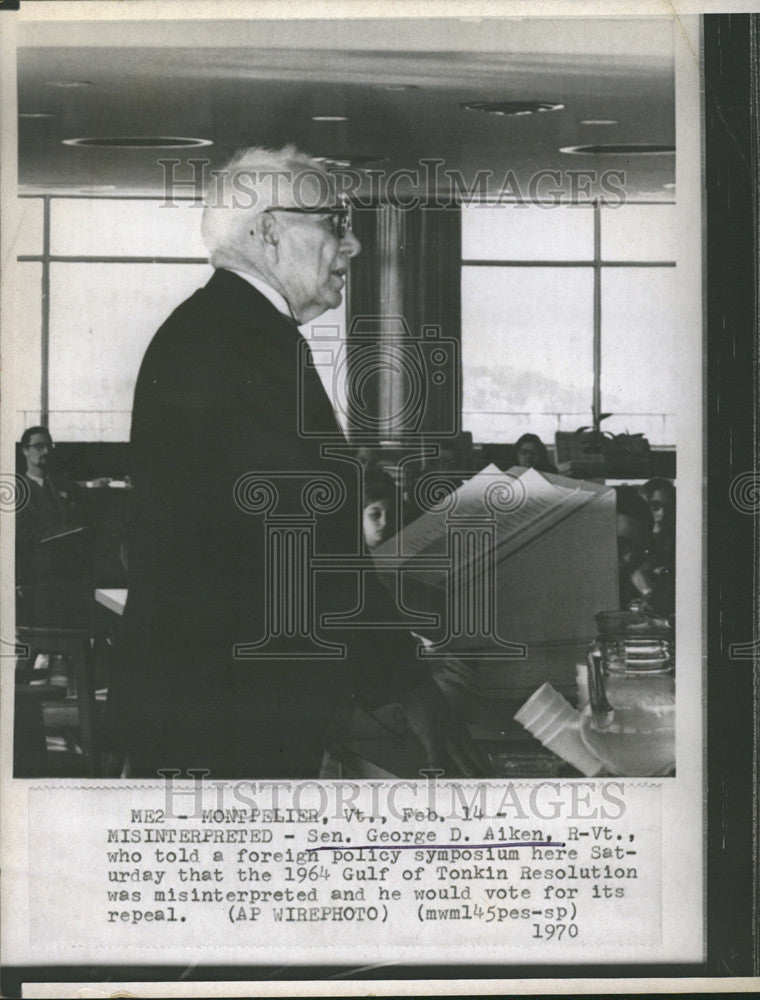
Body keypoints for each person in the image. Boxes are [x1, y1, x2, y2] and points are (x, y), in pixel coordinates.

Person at [108, 145, 481, 779]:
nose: (354, 244)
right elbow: (304, 535)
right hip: (230, 709)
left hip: (209, 696)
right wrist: (410, 685)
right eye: (335, 222)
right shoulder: (243, 344)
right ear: (268, 231)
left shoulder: (226, 328)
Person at [16, 426, 90, 627]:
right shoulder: (17, 490)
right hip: (36, 579)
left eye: (49, 446)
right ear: (24, 450)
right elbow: (20, 536)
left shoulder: (64, 487)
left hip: (69, 575)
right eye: (39, 446)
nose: (46, 451)